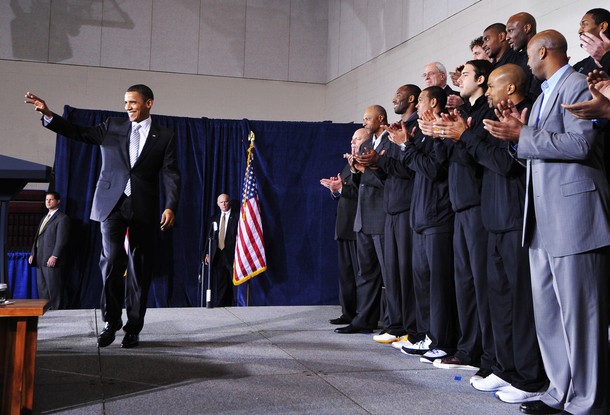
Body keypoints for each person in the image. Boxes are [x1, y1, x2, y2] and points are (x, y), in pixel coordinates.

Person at [483, 30, 610, 415]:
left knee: (581, 317)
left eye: (528, 51)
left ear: (542, 51)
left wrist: (524, 134)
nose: (525, 58)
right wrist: (515, 138)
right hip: (540, 220)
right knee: (550, 316)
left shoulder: (576, 84)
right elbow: (535, 152)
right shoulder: (542, 96)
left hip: (575, 218)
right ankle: (559, 391)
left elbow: (581, 145)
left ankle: (587, 401)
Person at [25, 85, 181, 349]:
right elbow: (79, 132)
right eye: (125, 102)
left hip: (144, 206)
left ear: (149, 103)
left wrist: (170, 206)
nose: (127, 107)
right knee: (111, 260)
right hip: (111, 204)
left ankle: (133, 328)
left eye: (133, 102)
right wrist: (49, 115)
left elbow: (171, 172)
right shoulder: (113, 126)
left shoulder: (165, 135)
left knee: (140, 267)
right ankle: (111, 321)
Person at [437, 63, 547, 403]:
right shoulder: (493, 115)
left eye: (493, 87)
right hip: (493, 218)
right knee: (498, 300)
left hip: (515, 218)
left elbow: (504, 163)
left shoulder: (523, 115)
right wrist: (459, 134)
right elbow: (477, 159)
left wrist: (467, 136)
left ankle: (528, 377)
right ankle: (503, 367)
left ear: (510, 89)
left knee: (520, 304)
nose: (488, 94)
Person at [422, 60, 495, 371]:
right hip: (459, 206)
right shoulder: (463, 113)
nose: (459, 79)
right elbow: (448, 160)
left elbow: (480, 157)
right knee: (464, 283)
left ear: (481, 79)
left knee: (481, 283)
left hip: (478, 204)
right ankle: (467, 349)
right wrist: (440, 135)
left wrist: (459, 134)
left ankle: (486, 354)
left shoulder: (486, 113)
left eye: (465, 74)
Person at [385, 86, 456, 361]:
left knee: (438, 286)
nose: (418, 106)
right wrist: (405, 144)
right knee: (423, 284)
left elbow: (433, 168)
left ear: (433, 103)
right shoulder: (424, 133)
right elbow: (413, 168)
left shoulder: (441, 130)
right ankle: (427, 335)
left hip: (438, 216)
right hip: (420, 217)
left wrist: (407, 145)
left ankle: (442, 340)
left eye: (422, 100)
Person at [356, 85, 420, 346]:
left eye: (399, 95)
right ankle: (396, 325)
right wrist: (374, 164)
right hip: (390, 208)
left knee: (404, 272)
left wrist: (378, 162)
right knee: (392, 274)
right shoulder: (395, 133)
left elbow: (408, 170)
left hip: (404, 207)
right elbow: (391, 171)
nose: (394, 98)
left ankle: (409, 327)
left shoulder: (408, 132)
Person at [335, 105, 390, 334]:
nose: (364, 121)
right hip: (363, 219)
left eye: (368, 118)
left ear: (380, 118)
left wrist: (363, 169)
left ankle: (393, 324)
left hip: (381, 218)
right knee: (365, 274)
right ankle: (363, 319)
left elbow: (388, 181)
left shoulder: (388, 143)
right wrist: (356, 171)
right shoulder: (370, 147)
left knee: (388, 276)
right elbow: (362, 186)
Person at [320, 128, 371, 325]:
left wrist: (342, 188)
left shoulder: (367, 164)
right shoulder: (348, 164)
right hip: (343, 226)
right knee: (346, 275)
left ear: (367, 141)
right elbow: (346, 191)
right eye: (352, 139)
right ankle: (347, 313)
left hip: (358, 227)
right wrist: (336, 188)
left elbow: (363, 193)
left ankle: (362, 315)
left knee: (360, 275)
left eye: (357, 139)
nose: (352, 142)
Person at [28, 191, 70, 310]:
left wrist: (55, 256)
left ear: (58, 201)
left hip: (51, 259)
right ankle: (46, 312)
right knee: (42, 288)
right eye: (47, 200)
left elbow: (62, 240)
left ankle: (56, 312)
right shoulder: (44, 218)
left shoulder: (62, 218)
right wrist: (33, 253)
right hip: (40, 258)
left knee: (54, 289)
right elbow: (38, 237)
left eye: (51, 199)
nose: (48, 202)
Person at [204, 194, 238, 307]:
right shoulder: (214, 218)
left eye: (226, 201)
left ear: (229, 202)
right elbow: (209, 238)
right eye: (221, 202)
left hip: (233, 255)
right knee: (221, 283)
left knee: (235, 284)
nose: (224, 204)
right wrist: (207, 253)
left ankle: (236, 305)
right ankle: (222, 306)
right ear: (218, 204)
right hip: (218, 254)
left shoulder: (237, 217)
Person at [505, 12, 542, 98]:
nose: (507, 37)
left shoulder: (543, 55)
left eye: (510, 31)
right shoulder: (516, 59)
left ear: (527, 28)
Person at [574, 8, 610, 74]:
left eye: (585, 24)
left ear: (602, 26)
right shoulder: (579, 67)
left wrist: (605, 57)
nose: (579, 31)